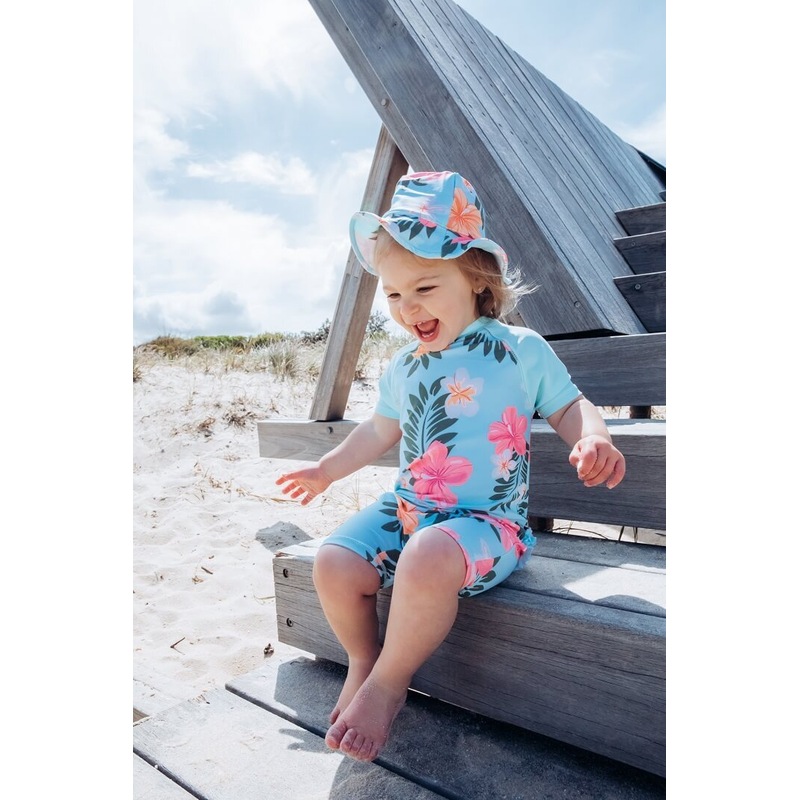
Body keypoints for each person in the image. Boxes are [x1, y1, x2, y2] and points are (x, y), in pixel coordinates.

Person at [276, 171, 625, 762]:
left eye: (424, 287)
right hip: (409, 510)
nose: (407, 307)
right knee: (334, 562)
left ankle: (390, 683)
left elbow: (569, 405)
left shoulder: (518, 349)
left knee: (428, 554)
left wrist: (593, 437)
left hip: (488, 527)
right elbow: (378, 430)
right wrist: (327, 470)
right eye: (393, 295)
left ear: (476, 278)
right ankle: (364, 658)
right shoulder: (405, 366)